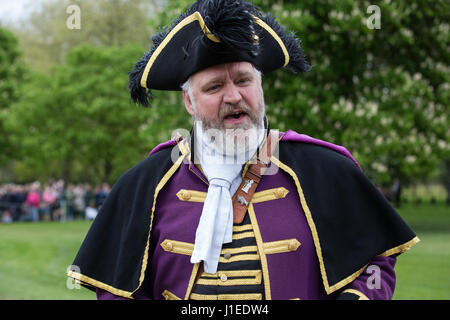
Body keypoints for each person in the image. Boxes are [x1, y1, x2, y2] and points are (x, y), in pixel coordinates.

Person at [68, 0, 419, 300]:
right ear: (189, 102)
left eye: (243, 80)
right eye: (215, 86)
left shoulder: (323, 168)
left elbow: (374, 261)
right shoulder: (147, 183)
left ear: (261, 87)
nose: (233, 96)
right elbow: (115, 288)